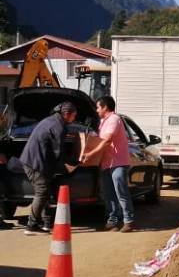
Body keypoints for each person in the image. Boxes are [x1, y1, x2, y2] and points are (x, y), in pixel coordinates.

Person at [20, 101, 78, 235]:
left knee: (46, 191)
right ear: (67, 114)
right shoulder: (59, 126)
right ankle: (31, 226)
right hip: (36, 163)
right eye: (74, 116)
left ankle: (46, 224)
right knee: (42, 192)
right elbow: (58, 152)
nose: (74, 118)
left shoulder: (51, 120)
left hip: (36, 160)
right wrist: (71, 163)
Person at [81, 96, 135, 232]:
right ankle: (112, 221)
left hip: (118, 163)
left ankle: (128, 221)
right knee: (109, 194)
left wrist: (90, 154)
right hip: (107, 163)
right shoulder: (103, 122)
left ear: (105, 107)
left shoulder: (114, 119)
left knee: (120, 192)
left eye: (98, 107)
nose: (97, 110)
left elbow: (106, 141)